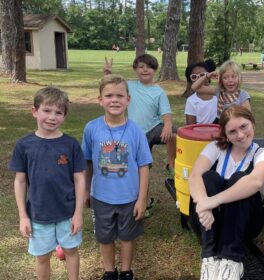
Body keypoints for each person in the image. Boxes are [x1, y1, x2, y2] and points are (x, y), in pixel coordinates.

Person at [188, 105, 264, 280]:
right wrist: (203, 204)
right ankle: (209, 258)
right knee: (209, 177)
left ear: (252, 123)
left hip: (244, 223)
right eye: (233, 131)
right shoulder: (215, 148)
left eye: (244, 126)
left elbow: (256, 181)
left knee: (240, 179)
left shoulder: (263, 153)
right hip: (209, 221)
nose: (240, 135)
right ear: (225, 135)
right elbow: (194, 175)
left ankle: (231, 260)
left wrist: (213, 201)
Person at [9, 86, 86, 280]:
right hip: (38, 214)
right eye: (47, 110)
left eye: (58, 112)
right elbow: (20, 181)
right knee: (42, 256)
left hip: (67, 213)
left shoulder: (71, 145)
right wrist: (23, 216)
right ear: (35, 111)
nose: (52, 117)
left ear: (64, 117)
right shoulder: (24, 145)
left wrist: (78, 214)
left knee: (70, 251)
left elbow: (80, 179)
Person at [82, 75, 152, 280]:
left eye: (120, 95)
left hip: (130, 197)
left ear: (128, 100)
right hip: (101, 197)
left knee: (128, 236)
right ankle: (109, 271)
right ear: (100, 100)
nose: (115, 100)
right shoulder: (91, 128)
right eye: (109, 95)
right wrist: (86, 190)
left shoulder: (137, 131)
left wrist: (141, 198)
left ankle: (127, 270)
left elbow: (144, 166)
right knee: (105, 236)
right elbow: (87, 162)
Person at [103, 54, 177, 176]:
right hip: (135, 132)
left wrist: (167, 125)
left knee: (176, 134)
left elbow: (166, 112)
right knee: (142, 168)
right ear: (135, 69)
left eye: (149, 67)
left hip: (154, 128)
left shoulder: (159, 91)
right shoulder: (129, 86)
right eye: (141, 67)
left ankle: (171, 166)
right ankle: (140, 192)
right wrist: (107, 73)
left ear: (155, 70)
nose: (145, 70)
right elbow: (111, 86)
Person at [184, 59, 218, 125]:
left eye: (202, 75)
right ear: (190, 81)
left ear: (209, 76)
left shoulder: (218, 96)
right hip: (199, 134)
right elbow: (190, 127)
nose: (199, 79)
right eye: (194, 77)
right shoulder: (191, 101)